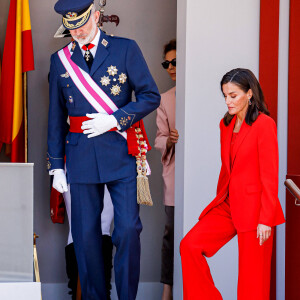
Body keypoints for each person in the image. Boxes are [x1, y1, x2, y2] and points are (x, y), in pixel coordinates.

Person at [47, 0, 161, 299]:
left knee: (127, 230)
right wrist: (56, 165)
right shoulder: (60, 60)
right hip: (80, 156)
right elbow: (56, 117)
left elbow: (150, 95)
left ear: (96, 17)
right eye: (71, 28)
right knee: (85, 238)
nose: (78, 33)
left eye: (82, 25)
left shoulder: (125, 49)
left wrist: (114, 119)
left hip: (120, 152)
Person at [180, 68, 285, 300]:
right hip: (228, 205)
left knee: (252, 285)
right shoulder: (225, 124)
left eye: (233, 95)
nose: (228, 101)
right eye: (225, 95)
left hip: (256, 212)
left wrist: (265, 219)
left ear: (249, 94)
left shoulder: (264, 124)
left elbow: (270, 175)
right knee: (189, 246)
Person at [154, 39, 177, 300]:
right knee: (170, 233)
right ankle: (167, 290)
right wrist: (169, 140)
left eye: (175, 62)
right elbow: (158, 139)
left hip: (203, 175)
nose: (170, 67)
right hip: (174, 176)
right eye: (166, 63)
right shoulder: (164, 99)